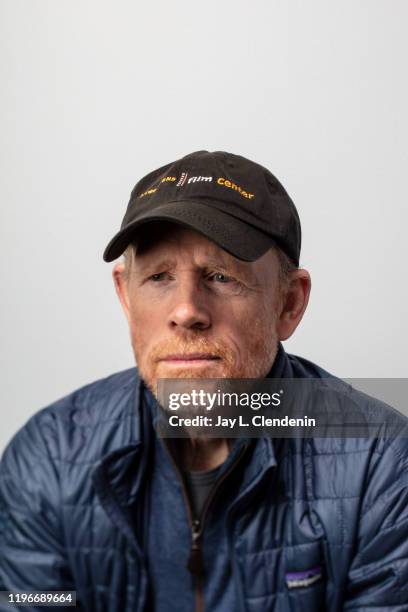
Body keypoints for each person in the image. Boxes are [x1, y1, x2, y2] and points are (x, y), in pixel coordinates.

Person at [1, 150, 407, 611]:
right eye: (158, 277)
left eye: (220, 276)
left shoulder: (382, 462)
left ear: (289, 303)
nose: (186, 311)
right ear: (125, 296)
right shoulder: (48, 458)